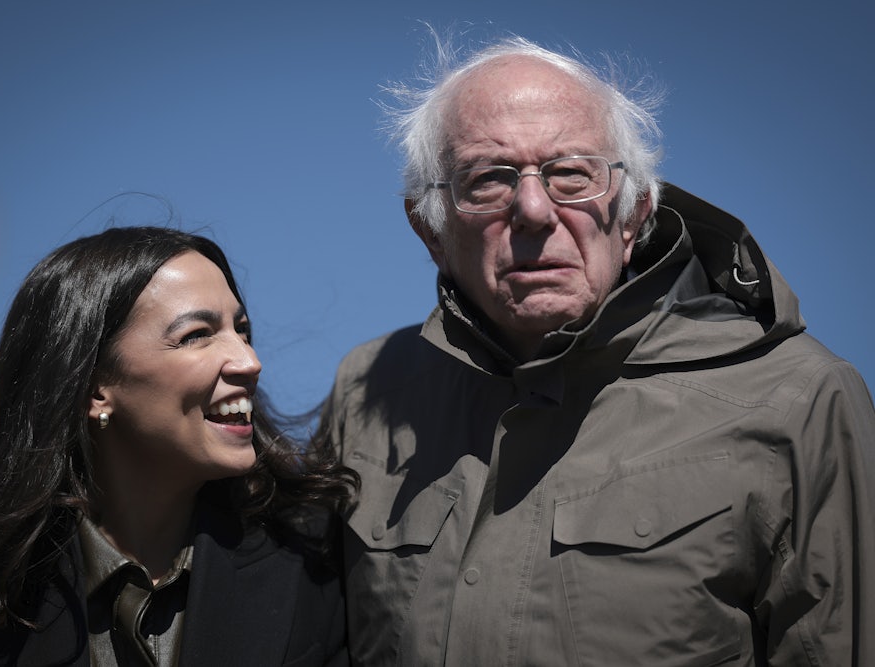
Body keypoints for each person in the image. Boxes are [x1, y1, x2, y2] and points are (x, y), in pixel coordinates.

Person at [323, 35, 875, 665]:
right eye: (487, 180)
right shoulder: (368, 391)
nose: (533, 209)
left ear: (635, 214)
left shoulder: (798, 400)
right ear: (431, 231)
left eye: (570, 175)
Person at [0, 226, 357, 665]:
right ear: (93, 387)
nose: (249, 361)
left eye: (242, 329)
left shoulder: (312, 566)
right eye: (197, 335)